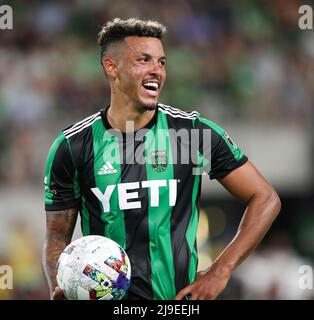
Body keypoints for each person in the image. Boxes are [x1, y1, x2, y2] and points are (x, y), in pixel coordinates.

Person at [42, 18, 281, 300]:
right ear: (112, 67)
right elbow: (57, 237)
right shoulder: (72, 147)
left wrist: (221, 270)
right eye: (144, 60)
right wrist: (62, 284)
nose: (156, 70)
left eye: (162, 62)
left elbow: (265, 198)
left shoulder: (192, 134)